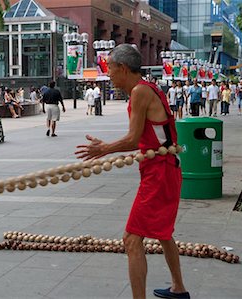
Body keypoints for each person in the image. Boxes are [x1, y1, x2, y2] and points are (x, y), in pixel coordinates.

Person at [75, 44, 189, 299]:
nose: (109, 75)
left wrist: (104, 149)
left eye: (111, 69)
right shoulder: (149, 89)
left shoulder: (139, 92)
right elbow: (152, 138)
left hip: (160, 172)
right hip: (164, 168)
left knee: (131, 239)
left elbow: (132, 137)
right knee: (164, 233)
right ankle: (178, 288)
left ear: (124, 69)